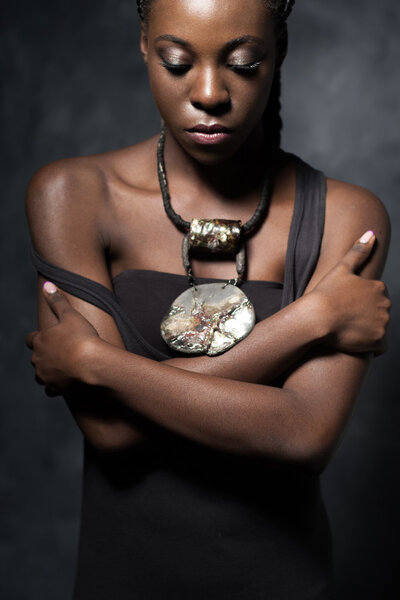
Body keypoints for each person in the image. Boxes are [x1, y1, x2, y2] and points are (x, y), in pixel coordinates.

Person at [25, 0, 391, 598]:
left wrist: (97, 363)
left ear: (280, 52)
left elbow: (303, 433)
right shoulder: (73, 195)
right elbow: (111, 432)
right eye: (176, 61)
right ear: (144, 44)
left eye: (243, 64)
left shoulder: (347, 216)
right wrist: (311, 319)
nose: (209, 93)